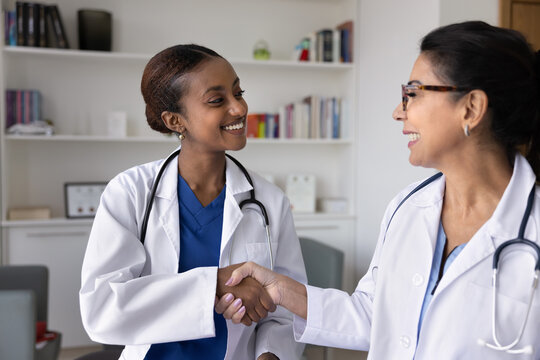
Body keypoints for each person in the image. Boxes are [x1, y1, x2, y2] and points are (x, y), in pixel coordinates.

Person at [219, 21, 540, 359]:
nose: (398, 112)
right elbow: (374, 315)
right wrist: (281, 289)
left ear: (471, 108)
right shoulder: (409, 207)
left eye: (413, 93)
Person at [79, 44, 307, 360]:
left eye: (238, 93)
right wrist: (216, 282)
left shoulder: (270, 201)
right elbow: (101, 309)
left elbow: (286, 311)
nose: (239, 108)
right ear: (175, 121)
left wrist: (271, 354)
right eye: (217, 100)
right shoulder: (129, 193)